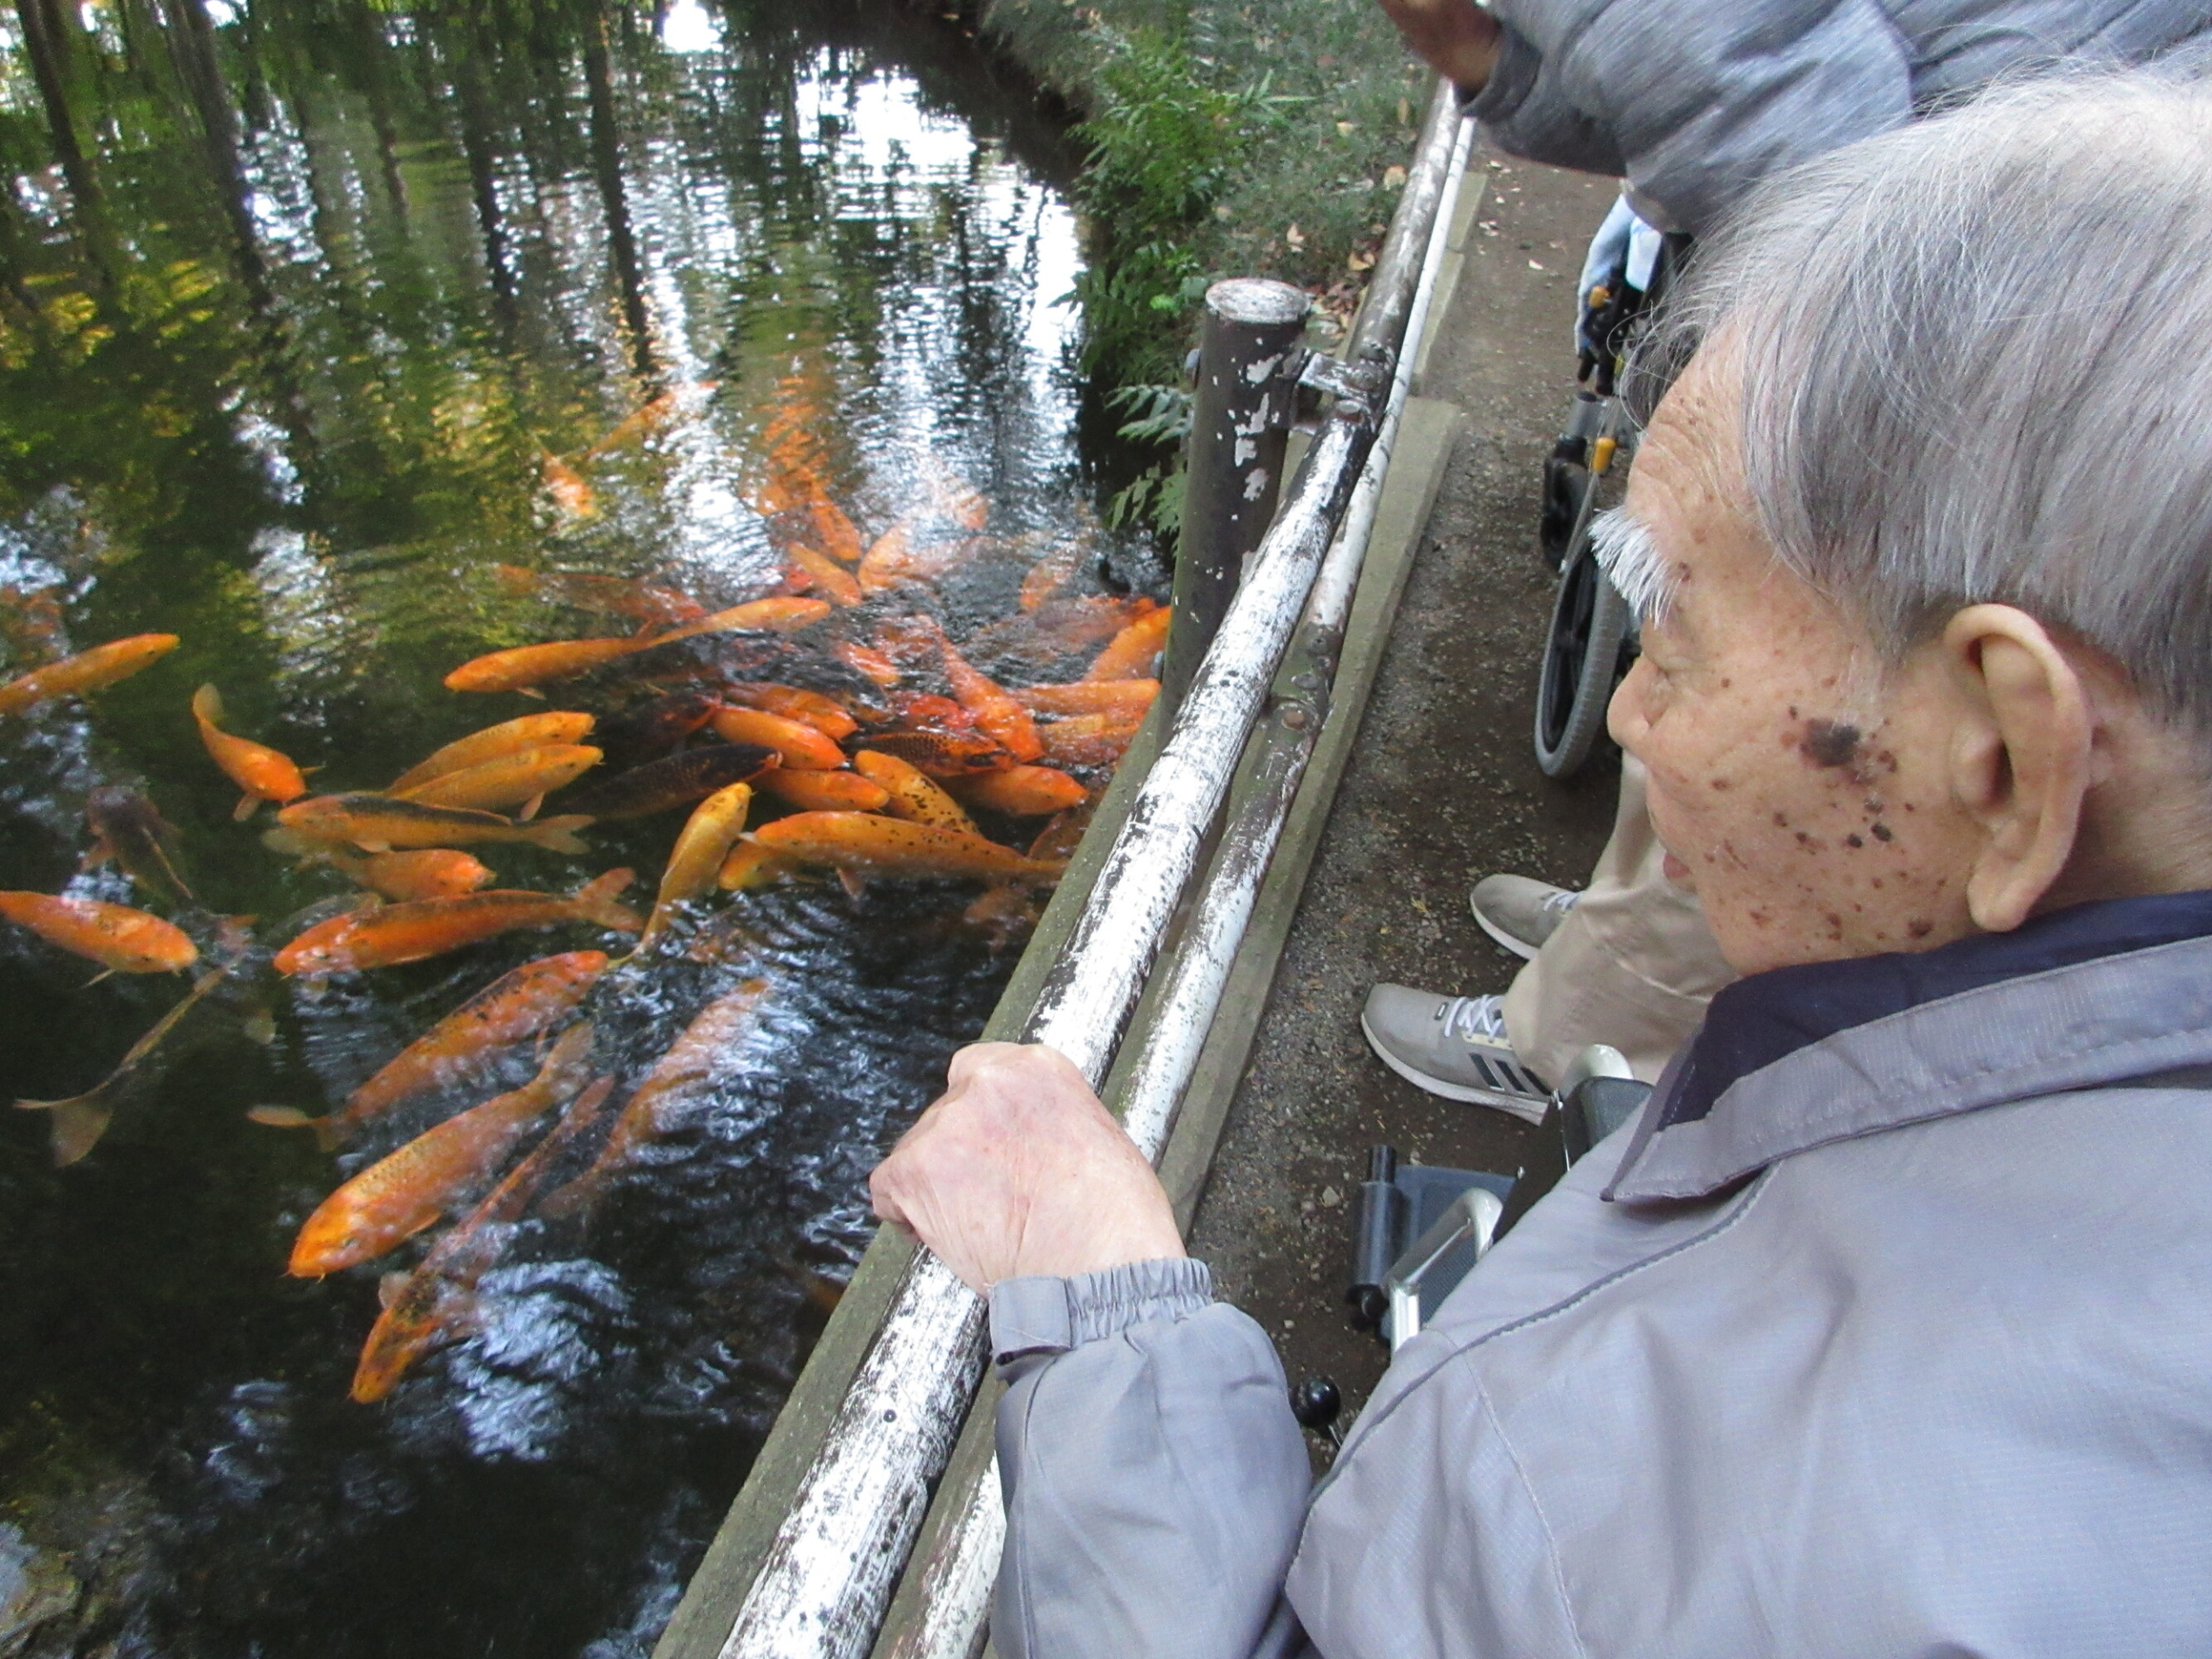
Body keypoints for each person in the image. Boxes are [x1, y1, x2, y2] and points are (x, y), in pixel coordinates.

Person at [872, 69, 2212, 1656]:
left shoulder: (1644, 1537)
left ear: (1999, 757)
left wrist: (1099, 1305)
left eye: (1681, 626)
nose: (1629, 711)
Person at [1358, 0, 2212, 1116]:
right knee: (1702, 702)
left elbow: (1790, 117)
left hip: (1951, 403)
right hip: (1980, 312)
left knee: (1751, 741)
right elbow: (1720, 67)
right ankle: (1625, 924)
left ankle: (1578, 1052)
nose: (1623, 714)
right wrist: (1488, 63)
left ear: (2005, 760)